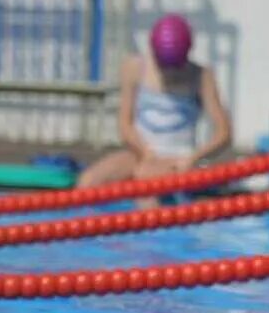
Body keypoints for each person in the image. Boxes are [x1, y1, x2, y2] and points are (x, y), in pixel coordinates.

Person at [77, 14, 232, 190]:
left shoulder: (201, 76)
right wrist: (145, 153)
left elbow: (224, 133)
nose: (169, 74)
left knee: (146, 180)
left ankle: (154, 214)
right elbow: (124, 124)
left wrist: (193, 158)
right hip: (140, 152)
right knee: (87, 182)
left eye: (175, 68)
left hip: (180, 157)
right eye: (164, 67)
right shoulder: (134, 68)